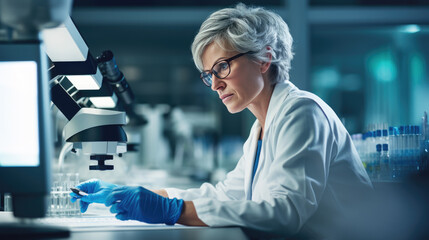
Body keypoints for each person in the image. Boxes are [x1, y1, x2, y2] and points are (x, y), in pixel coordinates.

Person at [70, 3, 372, 239]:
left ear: (265, 58)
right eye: (208, 75)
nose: (215, 85)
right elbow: (226, 195)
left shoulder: (302, 112)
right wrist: (132, 193)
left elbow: (285, 213)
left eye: (222, 67)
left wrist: (169, 210)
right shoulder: (261, 127)